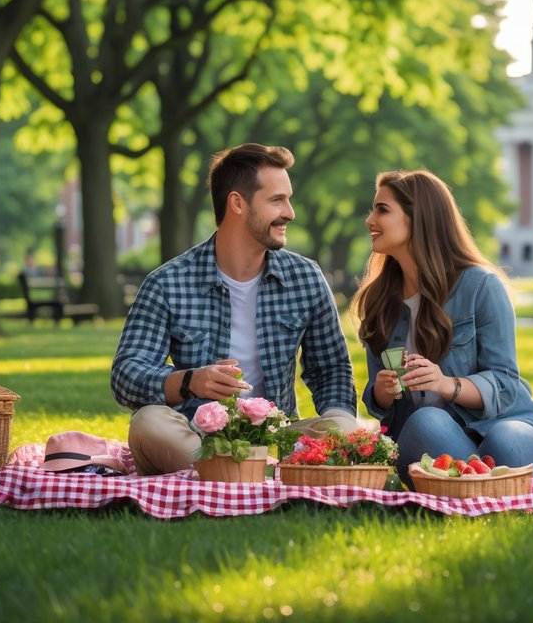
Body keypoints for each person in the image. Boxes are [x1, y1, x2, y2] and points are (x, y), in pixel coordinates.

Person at [111, 143, 358, 475]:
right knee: (147, 423)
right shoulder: (167, 282)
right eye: (276, 200)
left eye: (288, 199)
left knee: (345, 428)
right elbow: (127, 373)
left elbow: (331, 370)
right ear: (237, 203)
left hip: (276, 439)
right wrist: (190, 382)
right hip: (198, 438)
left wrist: (340, 425)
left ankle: (241, 474)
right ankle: (274, 475)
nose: (290, 212)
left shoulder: (306, 277)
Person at [352, 170, 533, 482]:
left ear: (418, 218)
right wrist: (383, 393)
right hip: (437, 435)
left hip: (507, 423)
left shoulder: (480, 286)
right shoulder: (379, 302)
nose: (370, 220)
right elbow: (383, 409)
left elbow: (505, 384)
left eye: (382, 210)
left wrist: (445, 384)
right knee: (425, 423)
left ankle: (466, 481)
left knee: (505, 444)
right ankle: (486, 483)